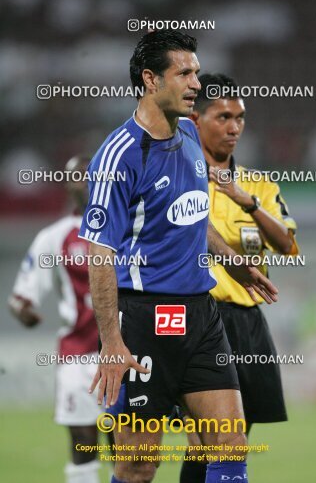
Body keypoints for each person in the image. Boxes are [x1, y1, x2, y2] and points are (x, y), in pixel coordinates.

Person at [79, 29, 278, 483]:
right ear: (150, 79)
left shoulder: (190, 133)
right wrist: (111, 342)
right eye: (184, 73)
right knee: (138, 466)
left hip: (201, 317)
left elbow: (193, 216)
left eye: (197, 72)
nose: (196, 83)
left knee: (229, 447)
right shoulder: (118, 156)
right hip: (142, 321)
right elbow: (100, 253)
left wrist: (231, 261)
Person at [179, 73, 299, 483]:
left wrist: (244, 201)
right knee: (201, 443)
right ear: (195, 119)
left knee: (233, 442)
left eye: (240, 118)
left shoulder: (258, 185)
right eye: (223, 116)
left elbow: (287, 245)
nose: (234, 128)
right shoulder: (182, 179)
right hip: (200, 317)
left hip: (247, 321)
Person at [8, 155, 105, 483]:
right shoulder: (55, 237)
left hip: (125, 354)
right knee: (83, 444)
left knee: (130, 451)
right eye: (77, 176)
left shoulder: (131, 227)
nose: (85, 181)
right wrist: (23, 310)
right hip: (78, 355)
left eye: (90, 174)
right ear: (68, 185)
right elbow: (21, 297)